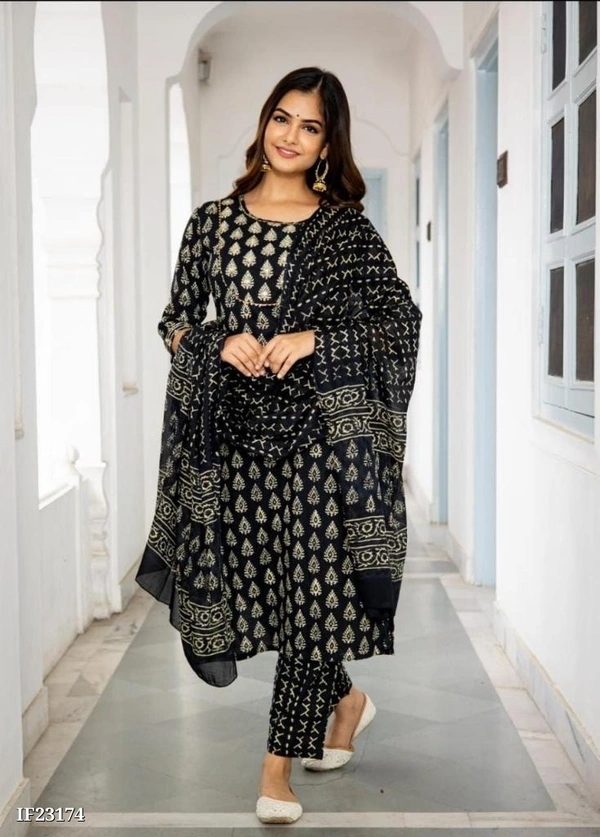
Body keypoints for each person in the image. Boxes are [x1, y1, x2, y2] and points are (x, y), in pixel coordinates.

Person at [135, 66, 422, 825]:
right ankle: (347, 700)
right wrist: (216, 341)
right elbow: (173, 320)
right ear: (265, 123)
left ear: (329, 144)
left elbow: (399, 322)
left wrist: (316, 338)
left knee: (315, 595)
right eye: (282, 118)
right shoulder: (211, 223)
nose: (291, 136)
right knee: (273, 594)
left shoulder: (345, 230)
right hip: (233, 442)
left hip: (323, 444)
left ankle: (275, 770)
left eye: (311, 127)